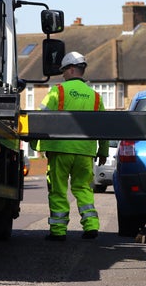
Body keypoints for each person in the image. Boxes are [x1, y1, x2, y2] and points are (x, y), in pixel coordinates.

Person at [30, 51, 109, 241]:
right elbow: (105, 126)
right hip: (85, 152)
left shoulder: (58, 91)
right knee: (83, 188)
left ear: (71, 69)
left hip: (60, 149)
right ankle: (91, 226)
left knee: (58, 189)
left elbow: (41, 117)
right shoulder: (96, 97)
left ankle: (58, 231)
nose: (63, 75)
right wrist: (103, 151)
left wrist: (35, 142)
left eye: (64, 71)